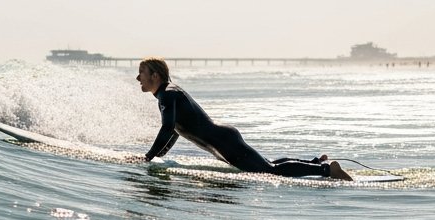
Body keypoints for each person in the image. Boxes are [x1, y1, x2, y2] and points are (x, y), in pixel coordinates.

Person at [135, 57, 353, 180]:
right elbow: (175, 131)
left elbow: (167, 128)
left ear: (155, 75)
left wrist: (148, 157)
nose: (138, 78)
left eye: (141, 72)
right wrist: (158, 156)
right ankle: (315, 162)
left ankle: (327, 170)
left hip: (223, 141)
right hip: (223, 139)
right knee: (268, 164)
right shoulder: (168, 93)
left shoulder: (167, 94)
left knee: (269, 171)